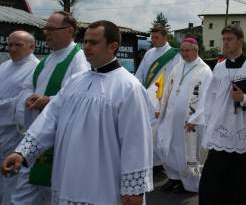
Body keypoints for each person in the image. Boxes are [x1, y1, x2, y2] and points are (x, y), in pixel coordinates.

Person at [2, 20, 154, 205]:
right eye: (86, 42)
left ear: (113, 46)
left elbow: (136, 142)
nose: (87, 47)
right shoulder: (75, 81)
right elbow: (50, 119)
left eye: (94, 43)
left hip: (104, 185)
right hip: (68, 179)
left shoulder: (128, 87)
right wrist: (22, 153)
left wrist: (134, 189)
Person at [11, 11, 89, 205]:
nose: (46, 33)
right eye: (45, 29)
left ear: (69, 31)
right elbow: (29, 86)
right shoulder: (46, 60)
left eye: (51, 29)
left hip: (58, 141)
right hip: (37, 137)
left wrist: (48, 100)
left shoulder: (78, 59)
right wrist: (29, 98)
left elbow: (79, 96)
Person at [199, 24, 246, 205]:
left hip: (244, 133)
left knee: (241, 188)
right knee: (212, 187)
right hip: (222, 134)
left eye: (229, 39)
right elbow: (210, 98)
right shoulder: (218, 68)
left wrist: (245, 98)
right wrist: (207, 121)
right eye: (223, 39)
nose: (225, 43)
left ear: (241, 41)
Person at [157, 37, 212, 193]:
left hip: (190, 121)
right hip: (172, 118)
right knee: (169, 147)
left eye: (187, 50)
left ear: (196, 50)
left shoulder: (205, 70)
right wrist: (161, 107)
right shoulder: (178, 66)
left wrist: (196, 119)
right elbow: (168, 87)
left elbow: (207, 98)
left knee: (187, 152)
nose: (184, 53)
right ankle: (174, 177)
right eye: (182, 50)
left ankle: (190, 183)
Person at [0, 31, 39, 204]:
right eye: (10, 45)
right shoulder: (4, 66)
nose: (13, 49)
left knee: (11, 178)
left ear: (32, 47)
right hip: (1, 130)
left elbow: (23, 100)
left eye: (18, 45)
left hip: (16, 132)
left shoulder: (36, 68)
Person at [135, 24, 180, 166]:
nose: (153, 40)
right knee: (146, 130)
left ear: (165, 37)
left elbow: (175, 77)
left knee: (159, 132)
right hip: (147, 97)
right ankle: (149, 161)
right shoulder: (149, 53)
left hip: (162, 98)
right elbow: (140, 73)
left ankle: (159, 162)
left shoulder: (174, 54)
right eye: (152, 37)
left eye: (156, 37)